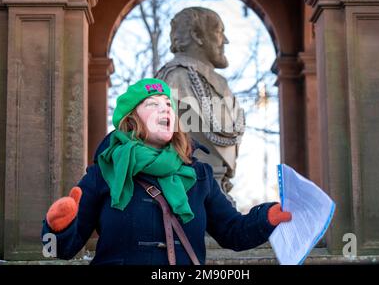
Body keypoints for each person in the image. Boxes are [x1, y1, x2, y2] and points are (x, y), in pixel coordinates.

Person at [41, 78, 291, 265]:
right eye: (152, 104)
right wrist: (56, 229)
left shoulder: (200, 175)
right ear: (131, 119)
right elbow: (57, 251)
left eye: (167, 104)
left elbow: (233, 233)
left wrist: (268, 216)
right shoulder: (102, 174)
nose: (165, 109)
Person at [156, 7, 244, 198]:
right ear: (197, 35)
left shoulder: (222, 86)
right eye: (219, 31)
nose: (225, 40)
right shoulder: (175, 80)